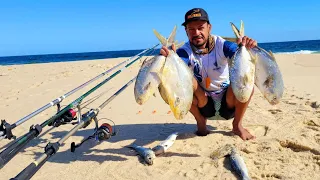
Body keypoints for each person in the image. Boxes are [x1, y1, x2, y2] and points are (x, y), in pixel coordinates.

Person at [160, 8, 258, 140]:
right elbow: (176, 72)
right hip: (203, 103)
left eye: (201, 28)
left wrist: (248, 48)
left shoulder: (222, 45)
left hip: (228, 102)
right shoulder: (184, 51)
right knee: (189, 81)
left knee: (246, 85)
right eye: (191, 29)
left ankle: (237, 125)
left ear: (209, 27)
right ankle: (201, 122)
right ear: (186, 31)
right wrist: (167, 58)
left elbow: (239, 56)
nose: (197, 33)